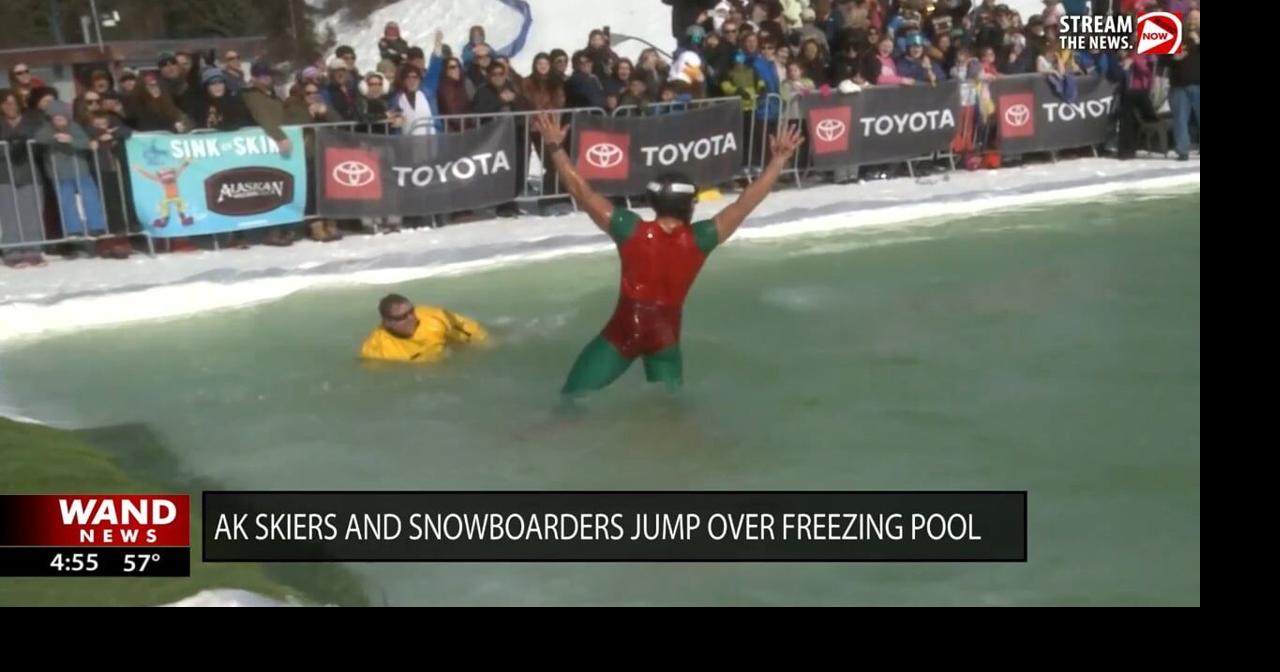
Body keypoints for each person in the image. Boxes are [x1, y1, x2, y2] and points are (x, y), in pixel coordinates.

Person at [531, 112, 804, 397]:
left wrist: (554, 147)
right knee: (670, 414)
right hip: (666, 338)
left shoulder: (630, 228)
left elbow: (582, 192)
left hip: (623, 332)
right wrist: (778, 160)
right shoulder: (701, 238)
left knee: (571, 401)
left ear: (654, 202)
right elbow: (745, 202)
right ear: (690, 206)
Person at [360, 294, 490, 363]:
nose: (412, 318)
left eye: (411, 311)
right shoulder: (375, 350)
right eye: (403, 316)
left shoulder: (435, 317)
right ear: (387, 322)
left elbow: (472, 330)